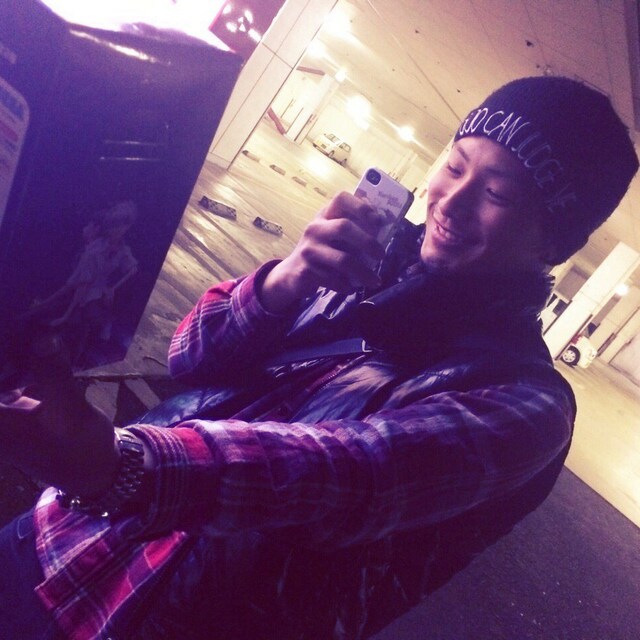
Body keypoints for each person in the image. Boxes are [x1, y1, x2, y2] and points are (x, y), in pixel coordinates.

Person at [0, 76, 637, 639]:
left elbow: (348, 474)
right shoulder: (363, 262)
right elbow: (189, 358)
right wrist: (286, 279)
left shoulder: (526, 404)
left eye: (496, 192)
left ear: (553, 240)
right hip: (64, 536)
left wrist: (118, 465)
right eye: (455, 165)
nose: (451, 200)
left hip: (162, 617)